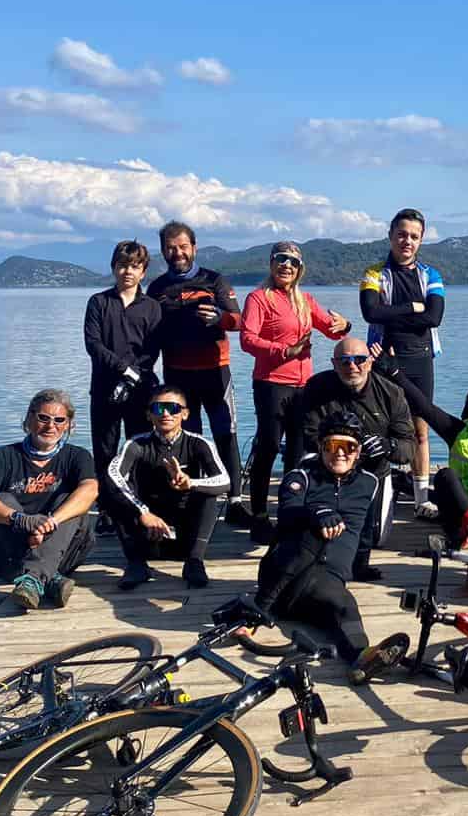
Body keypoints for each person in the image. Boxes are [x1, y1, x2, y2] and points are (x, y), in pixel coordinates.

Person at [252, 412, 409, 684]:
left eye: (348, 447)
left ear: (359, 451)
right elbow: (287, 514)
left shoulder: (369, 483)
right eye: (331, 446)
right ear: (321, 447)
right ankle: (259, 610)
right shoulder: (300, 476)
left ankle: (363, 658)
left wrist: (360, 567)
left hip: (324, 585)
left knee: (344, 606)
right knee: (313, 534)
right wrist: (316, 513)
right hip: (284, 575)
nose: (340, 453)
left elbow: (363, 536)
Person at [240, 242, 351, 543]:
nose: (285, 265)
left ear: (300, 268)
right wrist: (285, 350)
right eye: (280, 259)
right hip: (271, 383)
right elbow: (247, 339)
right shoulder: (258, 298)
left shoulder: (304, 300)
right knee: (268, 447)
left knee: (299, 451)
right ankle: (260, 516)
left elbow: (331, 329)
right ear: (271, 263)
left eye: (292, 261)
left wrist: (344, 325)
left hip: (304, 387)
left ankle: (291, 514)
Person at [146, 221, 246, 522]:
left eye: (183, 247)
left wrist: (219, 318)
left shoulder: (214, 280)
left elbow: (239, 321)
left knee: (225, 434)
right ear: (163, 251)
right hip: (177, 374)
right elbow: (149, 331)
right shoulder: (157, 288)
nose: (177, 253)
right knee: (188, 437)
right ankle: (196, 496)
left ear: (194, 247)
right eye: (170, 248)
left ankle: (236, 500)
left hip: (215, 372)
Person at [295, 337, 416, 581]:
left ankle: (361, 561)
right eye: (345, 361)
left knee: (377, 537)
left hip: (373, 472)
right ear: (333, 363)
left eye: (359, 360)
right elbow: (308, 435)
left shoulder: (392, 393)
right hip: (329, 466)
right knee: (317, 518)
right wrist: (342, 449)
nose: (352, 366)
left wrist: (386, 446)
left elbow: (408, 447)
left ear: (370, 362)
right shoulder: (317, 387)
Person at [0, 388, 98, 612]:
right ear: (29, 418)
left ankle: (33, 579)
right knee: (2, 498)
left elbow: (90, 490)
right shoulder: (3, 456)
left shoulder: (78, 456)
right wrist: (21, 520)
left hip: (61, 553)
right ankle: (47, 579)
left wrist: (52, 522)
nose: (51, 426)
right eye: (43, 418)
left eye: (59, 420)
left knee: (71, 502)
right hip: (9, 557)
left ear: (68, 424)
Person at [360, 208, 445, 518]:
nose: (406, 241)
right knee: (381, 427)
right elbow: (370, 312)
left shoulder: (430, 275)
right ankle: (380, 493)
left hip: (421, 359)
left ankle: (422, 500)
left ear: (421, 240)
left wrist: (391, 309)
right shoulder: (373, 273)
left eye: (414, 236)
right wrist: (412, 307)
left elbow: (434, 317)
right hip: (382, 359)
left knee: (420, 431)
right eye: (401, 234)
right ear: (391, 235)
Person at [106, 386, 230, 592]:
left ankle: (195, 561)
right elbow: (112, 475)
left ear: (185, 413)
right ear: (148, 414)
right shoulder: (136, 444)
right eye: (158, 408)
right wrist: (143, 512)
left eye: (172, 408)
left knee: (209, 495)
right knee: (115, 492)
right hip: (148, 531)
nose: (165, 414)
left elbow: (225, 481)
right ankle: (136, 564)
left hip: (185, 535)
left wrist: (191, 483)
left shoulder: (199, 444)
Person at [383, 368, 468, 545]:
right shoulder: (457, 431)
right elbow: (424, 407)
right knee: (445, 476)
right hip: (460, 510)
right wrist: (394, 372)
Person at [83, 240, 161, 534]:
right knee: (105, 450)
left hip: (140, 389)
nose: (128, 271)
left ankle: (135, 505)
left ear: (143, 272)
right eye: (123, 265)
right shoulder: (98, 302)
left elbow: (153, 348)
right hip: (104, 388)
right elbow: (93, 344)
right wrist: (122, 370)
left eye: (135, 266)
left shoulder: (152, 307)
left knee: (137, 448)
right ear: (114, 267)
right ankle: (106, 509)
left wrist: (135, 375)